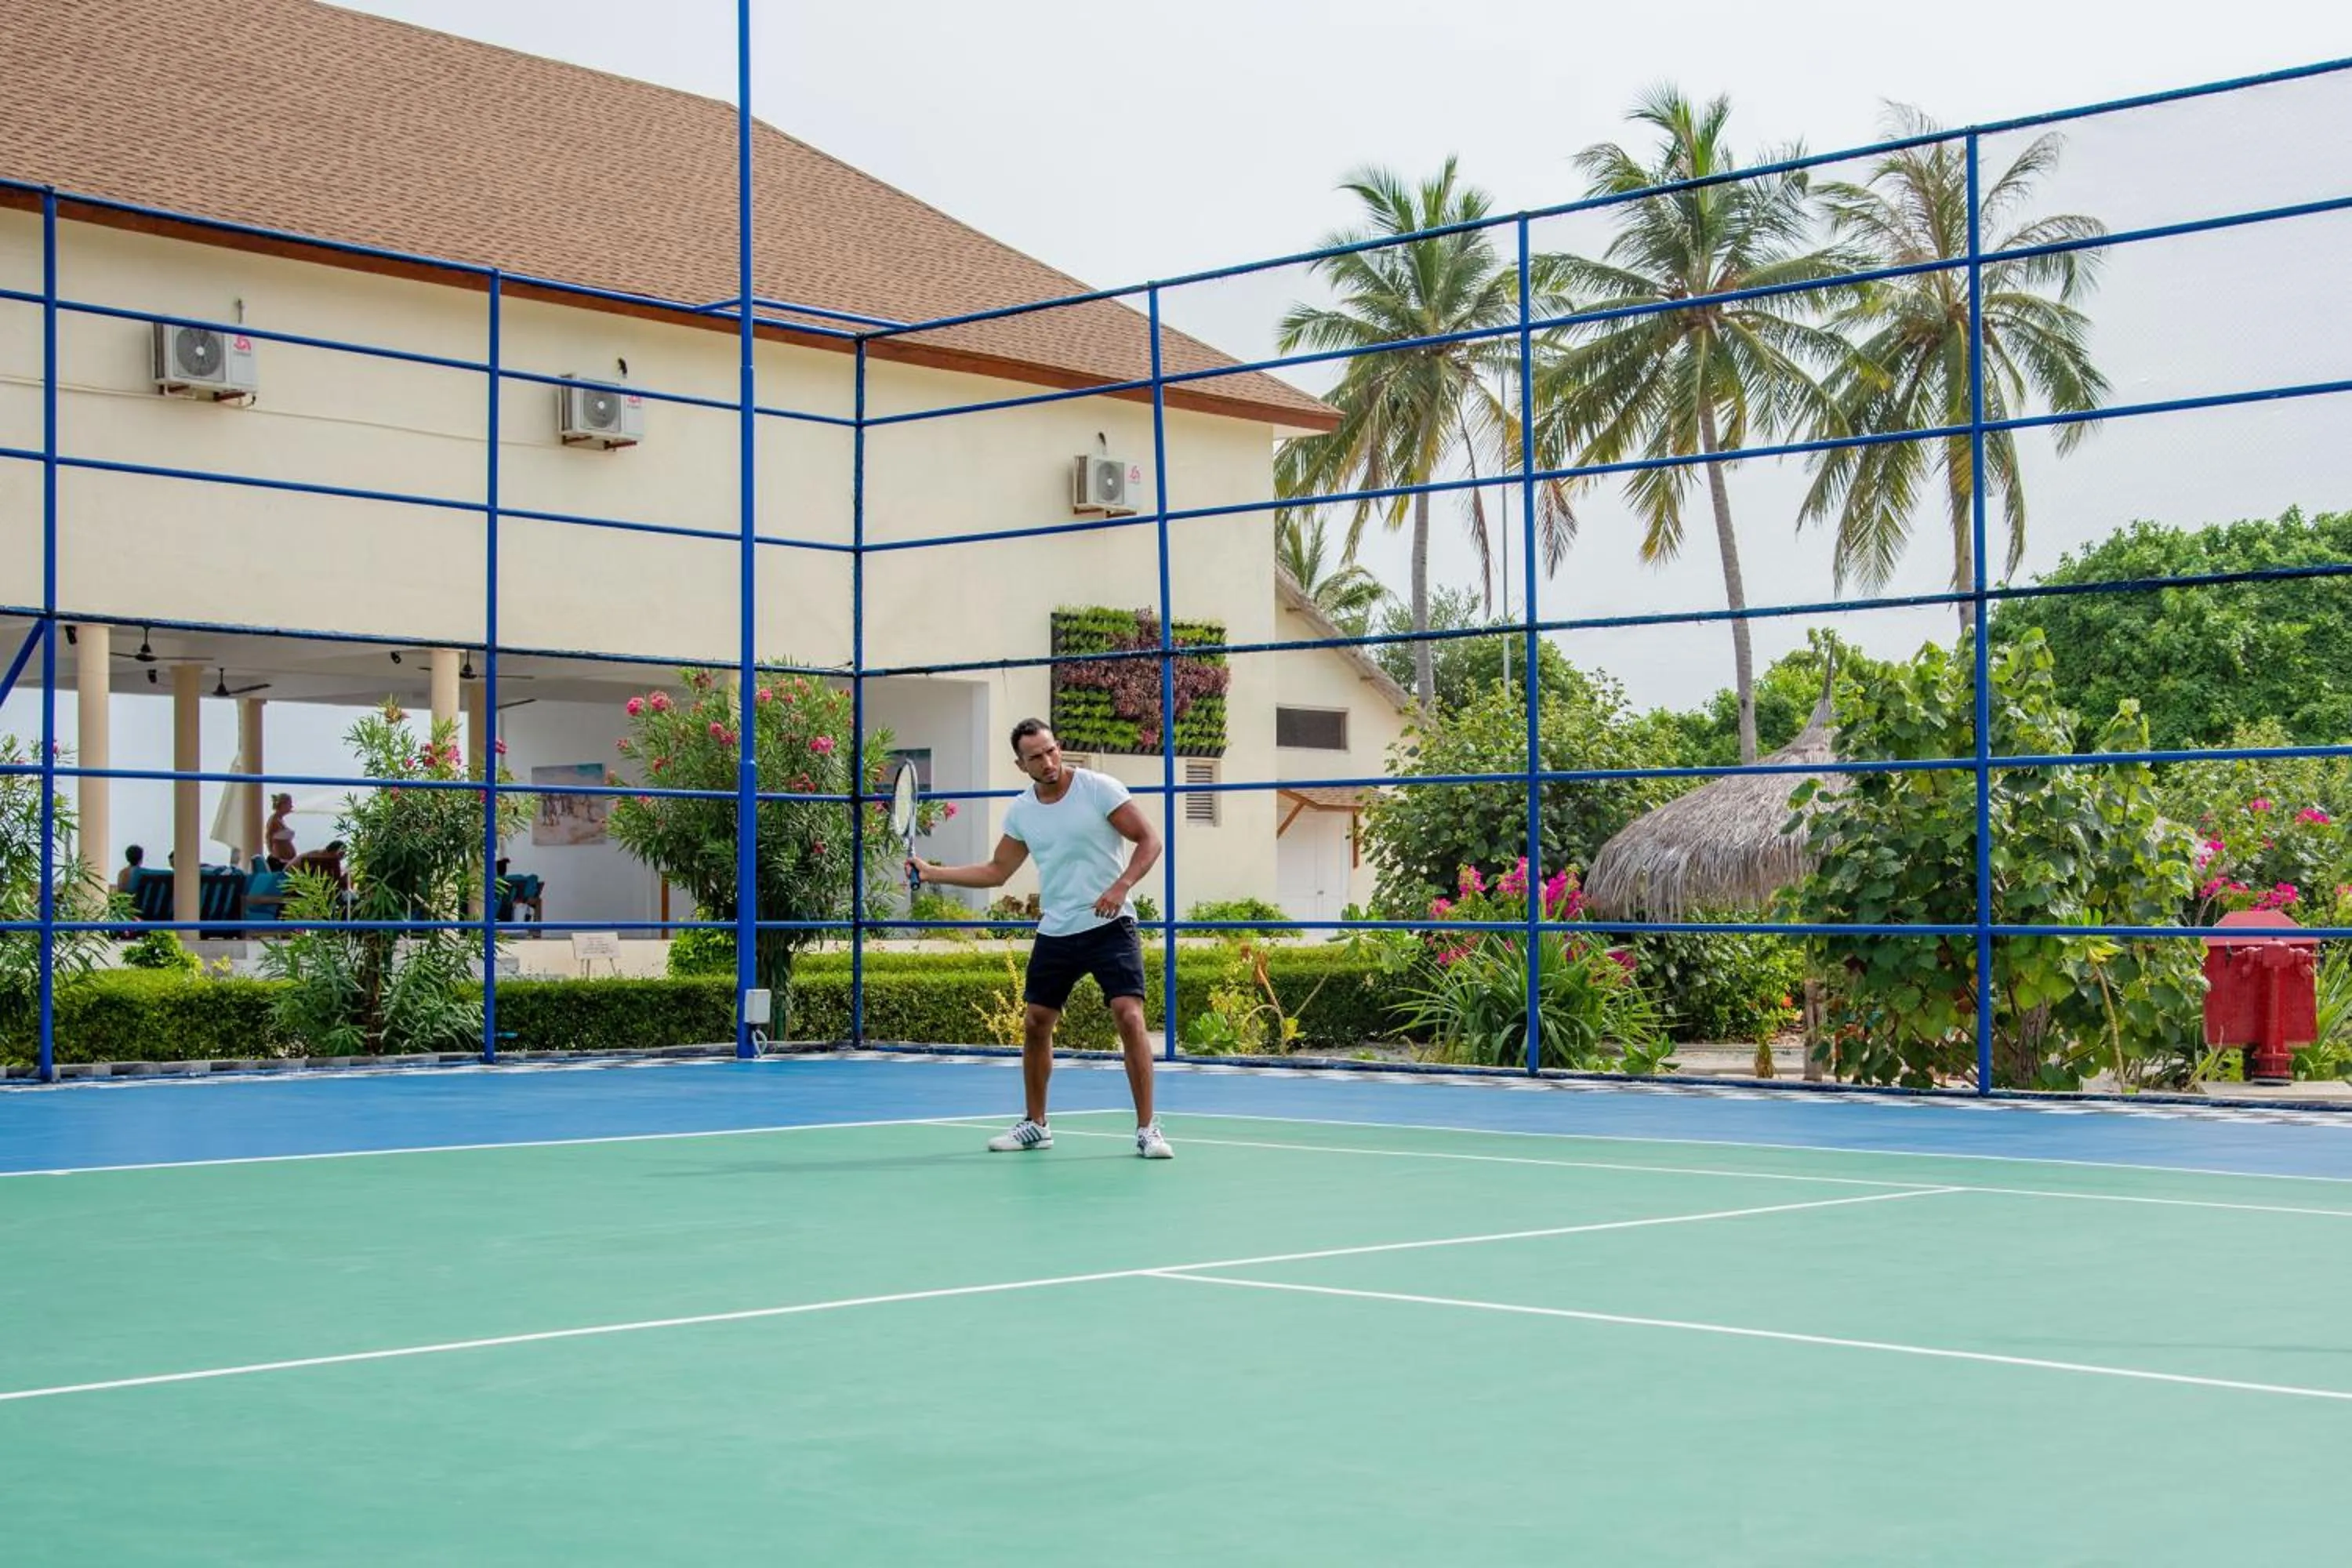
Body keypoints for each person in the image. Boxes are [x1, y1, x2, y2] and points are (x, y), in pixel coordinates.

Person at [909, 718, 1173, 1159]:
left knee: (1129, 1015)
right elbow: (997, 871)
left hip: (1111, 924)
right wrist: (933, 871)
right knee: (1035, 1023)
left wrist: (1122, 885)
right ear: (1021, 764)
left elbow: (1149, 840)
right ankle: (1036, 1125)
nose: (1048, 761)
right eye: (1036, 756)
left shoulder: (1099, 789)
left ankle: (1148, 1129)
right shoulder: (1022, 811)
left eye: (1052, 750)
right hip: (1057, 929)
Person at [265, 793, 297, 865]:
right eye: (290, 804)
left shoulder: (280, 819)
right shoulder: (274, 820)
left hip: (285, 861)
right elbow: (269, 837)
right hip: (280, 861)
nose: (291, 806)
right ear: (283, 805)